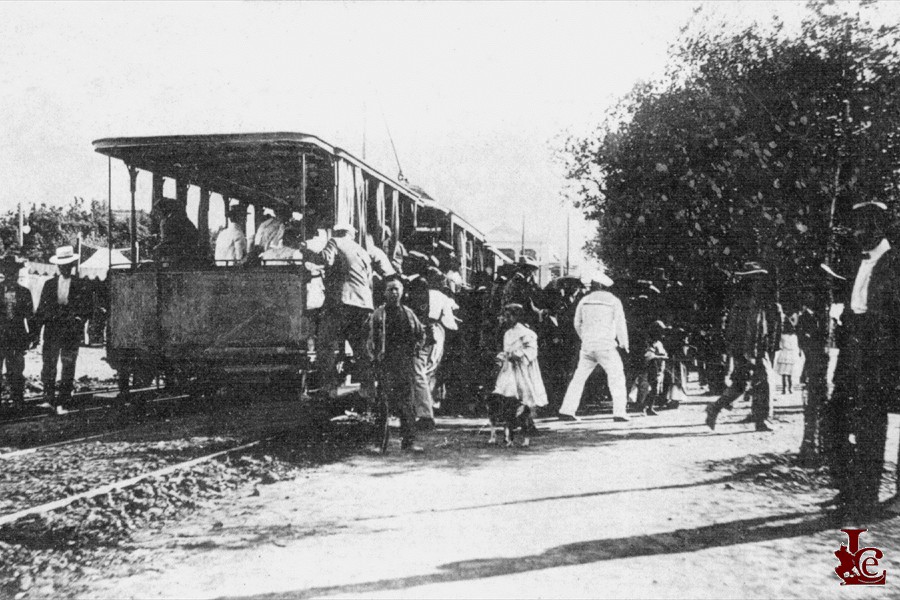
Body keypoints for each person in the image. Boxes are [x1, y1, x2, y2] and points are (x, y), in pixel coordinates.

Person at [826, 200, 900, 520]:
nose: (857, 232)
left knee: (871, 424)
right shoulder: (859, 261)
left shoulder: (895, 262)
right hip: (852, 351)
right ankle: (848, 486)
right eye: (855, 225)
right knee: (836, 417)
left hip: (879, 355)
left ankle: (865, 495)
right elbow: (854, 306)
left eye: (863, 225)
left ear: (878, 227)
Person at [307, 221, 391, 398]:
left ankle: (328, 388)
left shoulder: (336, 242)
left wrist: (305, 251)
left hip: (342, 302)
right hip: (363, 304)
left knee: (326, 343)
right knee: (361, 348)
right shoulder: (362, 251)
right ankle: (368, 389)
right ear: (352, 234)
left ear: (337, 233)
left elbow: (325, 259)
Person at [705, 261, 780, 432]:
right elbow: (747, 329)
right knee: (764, 382)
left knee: (741, 384)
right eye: (757, 278)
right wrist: (749, 353)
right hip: (749, 350)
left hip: (750, 349)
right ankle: (762, 421)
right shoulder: (747, 302)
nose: (760, 281)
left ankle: (715, 408)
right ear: (750, 280)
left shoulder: (750, 300)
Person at [558, 271, 630, 422]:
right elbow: (620, 324)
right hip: (606, 346)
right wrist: (624, 344)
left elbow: (577, 323)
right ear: (604, 286)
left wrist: (584, 337)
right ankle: (619, 413)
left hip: (587, 346)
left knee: (578, 378)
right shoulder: (613, 300)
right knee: (616, 377)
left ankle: (567, 410)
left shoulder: (584, 300)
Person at [368, 275, 426, 453]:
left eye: (397, 289)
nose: (394, 292)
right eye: (390, 289)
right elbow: (370, 340)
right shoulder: (378, 314)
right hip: (386, 364)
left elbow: (420, 333)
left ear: (402, 292)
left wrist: (416, 348)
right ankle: (380, 445)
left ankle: (408, 443)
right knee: (383, 404)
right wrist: (375, 358)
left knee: (407, 405)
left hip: (405, 364)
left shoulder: (408, 313)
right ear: (385, 293)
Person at [34, 246, 91, 415]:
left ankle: (65, 400)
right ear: (58, 266)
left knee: (68, 364)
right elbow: (41, 310)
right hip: (52, 329)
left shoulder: (81, 284)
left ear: (72, 265)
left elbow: (87, 308)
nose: (64, 268)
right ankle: (48, 398)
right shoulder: (49, 284)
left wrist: (78, 320)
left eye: (67, 265)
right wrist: (36, 332)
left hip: (71, 331)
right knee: (49, 364)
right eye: (61, 265)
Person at [493, 303, 548, 422]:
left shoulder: (526, 333)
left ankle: (529, 422)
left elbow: (532, 350)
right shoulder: (507, 333)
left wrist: (519, 354)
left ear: (517, 316)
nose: (506, 319)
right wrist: (502, 356)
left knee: (526, 392)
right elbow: (506, 350)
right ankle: (514, 420)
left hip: (523, 367)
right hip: (510, 368)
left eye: (509, 316)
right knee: (509, 391)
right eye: (505, 316)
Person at [0, 255, 34, 410]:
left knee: (16, 371)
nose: (10, 275)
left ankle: (18, 402)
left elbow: (30, 316)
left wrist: (33, 336)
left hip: (17, 338)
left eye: (13, 272)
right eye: (7, 272)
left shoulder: (24, 292)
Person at [155, 198, 204, 265]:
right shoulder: (184, 219)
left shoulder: (168, 222)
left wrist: (158, 246)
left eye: (158, 211)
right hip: (188, 254)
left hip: (176, 256)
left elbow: (170, 240)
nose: (158, 214)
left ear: (164, 209)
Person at [636, 320, 669, 416]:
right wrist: (662, 357)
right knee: (645, 388)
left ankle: (650, 407)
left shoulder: (658, 342)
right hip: (648, 367)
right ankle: (642, 407)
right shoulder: (648, 341)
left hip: (657, 368)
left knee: (655, 388)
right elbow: (648, 355)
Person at [775, 317, 801, 395]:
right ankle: (790, 388)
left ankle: (784, 389)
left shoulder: (782, 336)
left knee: (783, 373)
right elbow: (796, 346)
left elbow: (780, 345)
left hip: (784, 353)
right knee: (790, 373)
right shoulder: (794, 336)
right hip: (791, 354)